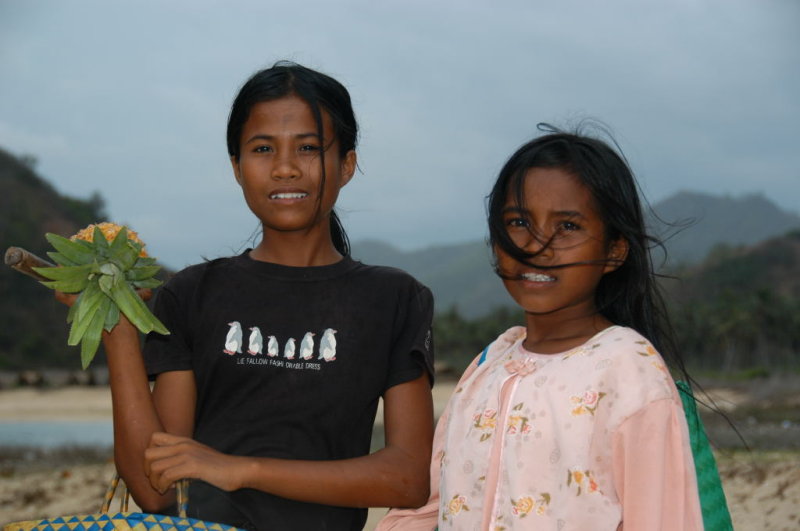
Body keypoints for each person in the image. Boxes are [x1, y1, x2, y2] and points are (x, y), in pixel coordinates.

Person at [60, 62, 435, 530]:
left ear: (347, 164)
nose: (284, 167)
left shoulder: (394, 298)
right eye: (262, 149)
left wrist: (240, 470)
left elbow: (407, 478)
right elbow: (154, 489)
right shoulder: (192, 294)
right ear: (237, 167)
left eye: (308, 147)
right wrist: (116, 331)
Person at [377, 125, 703, 530]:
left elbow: (662, 519)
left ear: (614, 250)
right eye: (518, 222)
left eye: (567, 226)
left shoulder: (628, 370)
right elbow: (430, 507)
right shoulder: (487, 365)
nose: (536, 246)